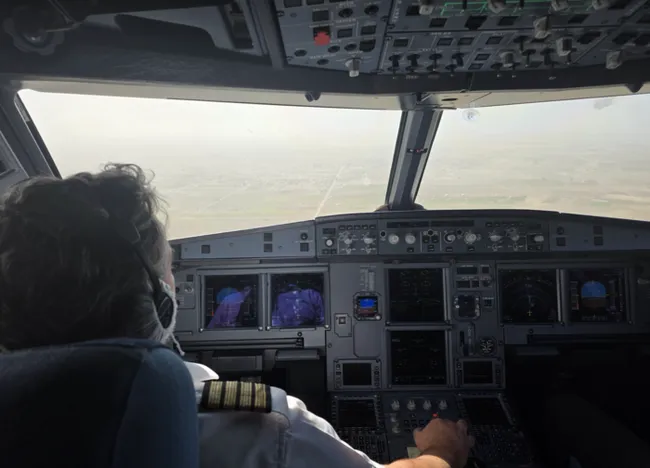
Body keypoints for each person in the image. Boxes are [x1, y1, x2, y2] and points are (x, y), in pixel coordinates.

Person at [0, 164, 473, 468]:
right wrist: (439, 452)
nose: (174, 279)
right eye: (168, 267)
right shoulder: (252, 427)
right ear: (160, 301)